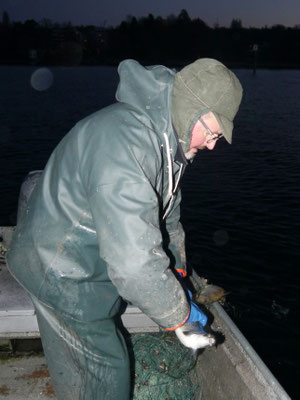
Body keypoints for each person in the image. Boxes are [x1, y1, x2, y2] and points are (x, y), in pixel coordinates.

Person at [6, 58, 243, 399]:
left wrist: (177, 271)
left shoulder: (168, 143)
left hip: (72, 255)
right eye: (212, 132)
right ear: (191, 109)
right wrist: (179, 316)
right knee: (109, 369)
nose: (211, 145)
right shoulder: (127, 142)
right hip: (58, 267)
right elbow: (133, 263)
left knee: (78, 366)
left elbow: (167, 216)